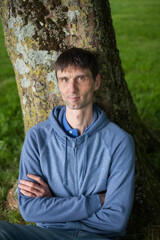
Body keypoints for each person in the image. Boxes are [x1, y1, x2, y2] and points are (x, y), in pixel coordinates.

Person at [0, 47, 135, 240]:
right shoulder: (37, 137)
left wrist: (51, 207)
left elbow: (115, 220)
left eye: (81, 78)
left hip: (95, 237)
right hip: (47, 235)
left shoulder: (119, 141)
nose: (72, 89)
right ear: (57, 83)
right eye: (64, 79)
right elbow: (29, 210)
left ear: (96, 82)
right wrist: (98, 201)